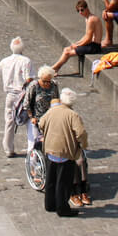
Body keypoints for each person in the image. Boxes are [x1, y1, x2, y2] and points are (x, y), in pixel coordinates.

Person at [38, 87, 88, 217]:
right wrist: (83, 144)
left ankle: (50, 205)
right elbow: (81, 133)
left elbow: (41, 123)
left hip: (50, 149)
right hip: (65, 152)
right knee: (63, 182)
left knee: (51, 179)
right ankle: (62, 208)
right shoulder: (73, 115)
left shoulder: (51, 111)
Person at [0, 36, 34, 157]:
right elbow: (29, 78)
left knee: (9, 122)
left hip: (10, 95)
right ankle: (31, 147)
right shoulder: (26, 61)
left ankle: (8, 149)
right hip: (23, 95)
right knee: (29, 121)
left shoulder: (5, 61)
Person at [52, 0, 106, 72]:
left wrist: (77, 46)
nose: (80, 12)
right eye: (78, 11)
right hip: (90, 44)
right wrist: (77, 43)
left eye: (82, 10)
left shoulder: (91, 20)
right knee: (66, 49)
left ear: (87, 8)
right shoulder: (87, 18)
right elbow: (86, 36)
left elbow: (88, 39)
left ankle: (54, 68)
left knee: (67, 52)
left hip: (94, 47)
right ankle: (56, 68)